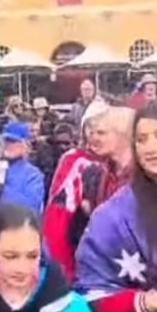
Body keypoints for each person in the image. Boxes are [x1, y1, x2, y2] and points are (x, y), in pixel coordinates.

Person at [75, 98, 157, 312]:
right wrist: (150, 302)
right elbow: (89, 295)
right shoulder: (113, 218)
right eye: (141, 139)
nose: (150, 147)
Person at [42, 100, 108, 280]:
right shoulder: (75, 160)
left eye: (102, 130)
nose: (94, 136)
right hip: (78, 252)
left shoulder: (125, 163)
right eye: (90, 129)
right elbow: (58, 215)